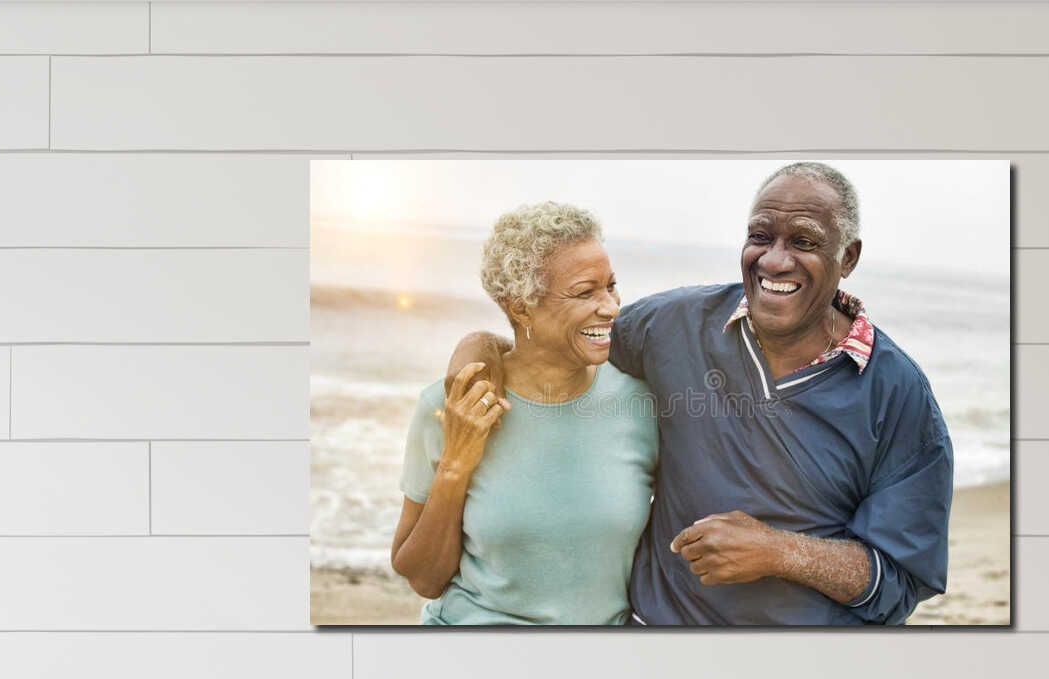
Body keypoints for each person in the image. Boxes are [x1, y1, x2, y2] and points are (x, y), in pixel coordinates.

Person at [448, 162, 953, 626]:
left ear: (848, 257)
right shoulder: (674, 324)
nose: (775, 261)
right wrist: (477, 351)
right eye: (761, 236)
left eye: (803, 241)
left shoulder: (898, 393)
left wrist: (778, 552)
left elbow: (903, 579)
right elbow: (561, 341)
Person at [389, 202, 657, 625]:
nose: (610, 307)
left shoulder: (642, 405)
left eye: (611, 286)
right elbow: (423, 579)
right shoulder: (449, 407)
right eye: (586, 292)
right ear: (520, 307)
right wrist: (456, 465)